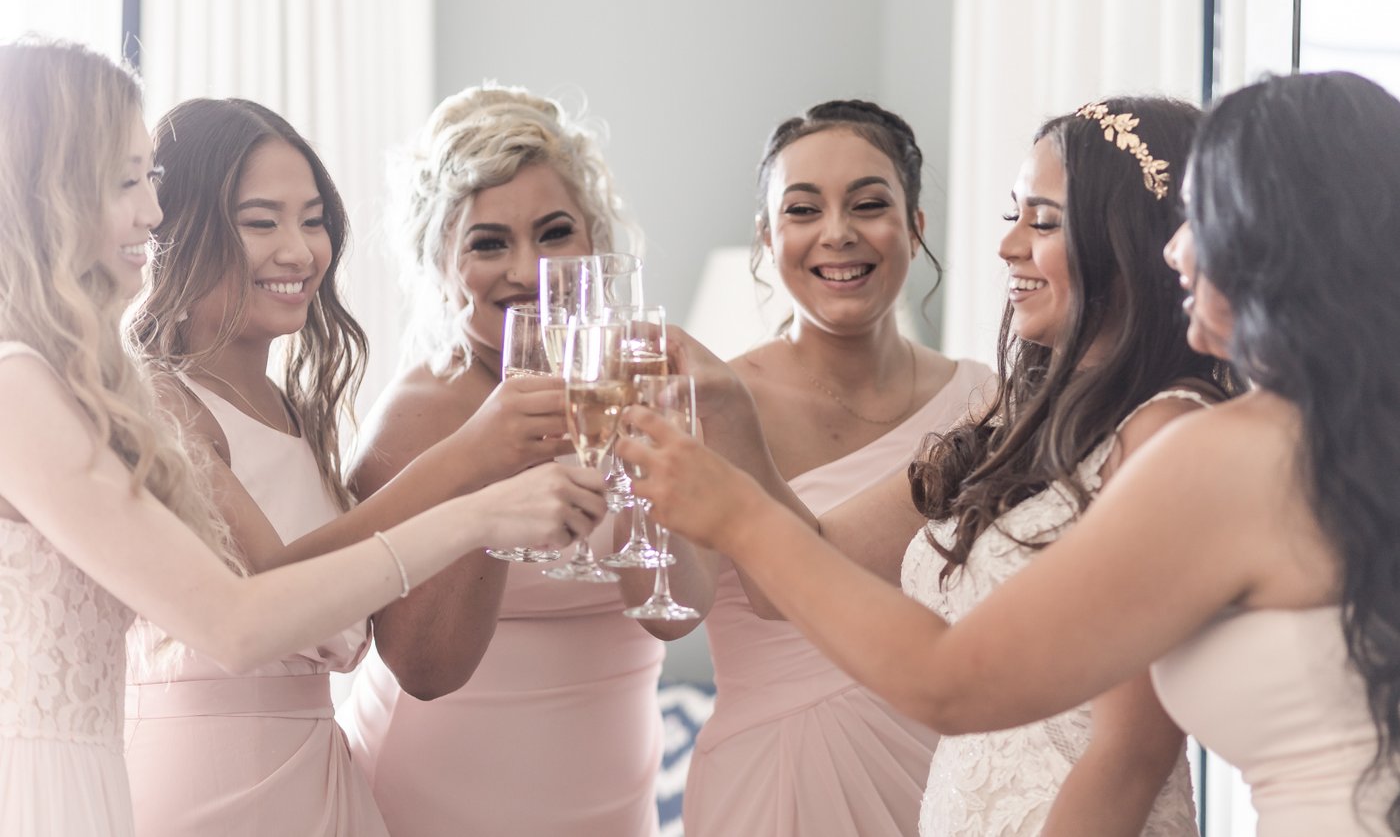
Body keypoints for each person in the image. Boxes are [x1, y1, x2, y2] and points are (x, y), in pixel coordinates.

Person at [624, 72, 1400, 836]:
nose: (1179, 249)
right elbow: (814, 569)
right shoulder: (1286, 432)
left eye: (1205, 216)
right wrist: (728, 421)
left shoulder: (1196, 440)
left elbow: (966, 687)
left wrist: (735, 512)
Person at [0, 39, 602, 837]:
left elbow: (338, 626)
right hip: (161, 782)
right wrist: (477, 490)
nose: (153, 210)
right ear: (52, 191)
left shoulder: (261, 406)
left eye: (313, 220)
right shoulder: (78, 389)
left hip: (302, 769)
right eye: (128, 181)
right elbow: (243, 614)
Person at [624, 100, 992, 836]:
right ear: (766, 238)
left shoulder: (982, 400)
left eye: (869, 204)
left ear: (915, 228)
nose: (838, 233)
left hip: (944, 769)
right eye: (802, 209)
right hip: (774, 778)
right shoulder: (698, 399)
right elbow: (668, 613)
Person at [337, 84, 665, 837]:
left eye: (555, 233)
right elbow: (422, 668)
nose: (527, 271)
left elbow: (677, 608)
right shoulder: (421, 411)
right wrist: (499, 462)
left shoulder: (630, 390)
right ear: (442, 264)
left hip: (613, 813)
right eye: (489, 243)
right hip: (436, 807)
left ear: (596, 244)